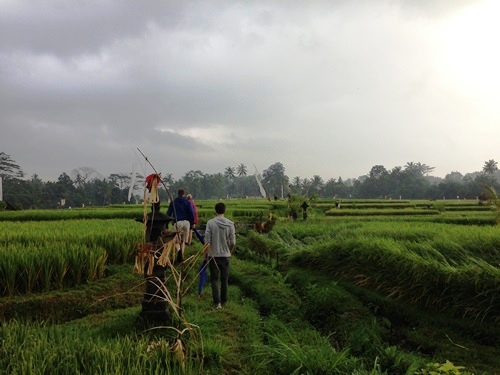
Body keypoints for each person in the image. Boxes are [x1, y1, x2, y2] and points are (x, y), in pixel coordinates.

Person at [203, 202, 236, 309]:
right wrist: (229, 252)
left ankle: (217, 303)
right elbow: (233, 243)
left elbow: (207, 242)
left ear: (215, 211)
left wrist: (205, 255)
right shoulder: (230, 224)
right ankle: (224, 301)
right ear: (225, 211)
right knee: (224, 279)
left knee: (214, 279)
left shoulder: (210, 223)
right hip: (225, 256)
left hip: (213, 256)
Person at [166, 189, 195, 262]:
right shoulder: (188, 202)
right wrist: (192, 223)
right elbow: (191, 212)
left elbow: (169, 213)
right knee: (183, 240)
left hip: (177, 222)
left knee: (174, 240)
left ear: (178, 194)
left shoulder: (174, 202)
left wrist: (166, 223)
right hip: (186, 223)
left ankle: (178, 251)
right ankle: (181, 255)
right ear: (184, 194)